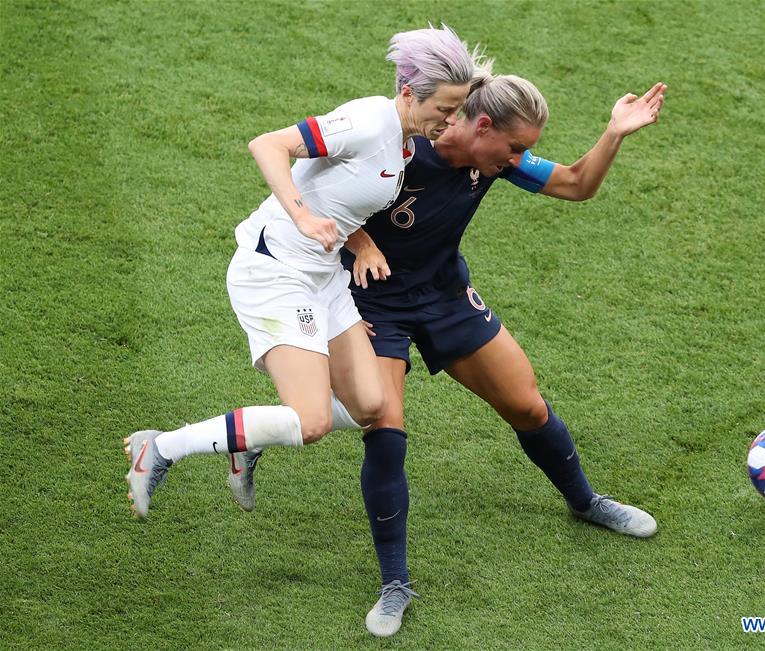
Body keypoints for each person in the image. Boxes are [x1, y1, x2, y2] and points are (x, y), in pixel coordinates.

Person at [229, 67, 667, 635]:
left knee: (529, 407)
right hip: (372, 304)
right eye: (513, 148)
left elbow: (577, 184)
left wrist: (614, 133)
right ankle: (394, 584)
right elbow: (316, 190)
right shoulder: (404, 147)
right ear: (483, 126)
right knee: (385, 433)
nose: (516, 160)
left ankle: (584, 502)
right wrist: (359, 241)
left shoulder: (492, 160)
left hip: (445, 296)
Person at [124, 25, 479, 520]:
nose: (450, 120)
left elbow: (340, 194)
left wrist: (361, 240)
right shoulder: (368, 122)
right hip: (274, 272)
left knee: (370, 405)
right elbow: (268, 145)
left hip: (323, 276)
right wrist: (302, 217)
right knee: (310, 420)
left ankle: (247, 440)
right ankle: (159, 449)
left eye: (456, 109)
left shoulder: (402, 140)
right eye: (443, 108)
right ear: (407, 93)